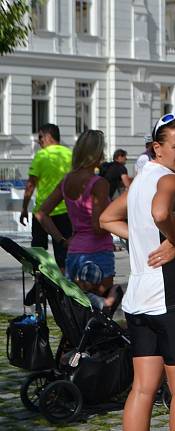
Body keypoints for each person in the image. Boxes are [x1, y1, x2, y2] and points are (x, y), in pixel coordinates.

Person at [100, 112, 175, 430]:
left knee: (143, 389)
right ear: (157, 148)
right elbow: (160, 212)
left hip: (139, 300)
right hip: (170, 297)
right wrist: (173, 241)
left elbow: (106, 218)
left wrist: (142, 239)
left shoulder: (142, 178)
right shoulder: (168, 179)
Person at [36, 129, 121, 313]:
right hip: (98, 253)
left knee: (78, 312)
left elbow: (41, 214)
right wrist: (118, 214)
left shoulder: (67, 181)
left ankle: (76, 341)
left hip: (74, 253)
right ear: (97, 153)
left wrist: (61, 240)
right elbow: (98, 227)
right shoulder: (99, 183)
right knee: (103, 307)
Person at [20, 124, 73, 270]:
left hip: (42, 214)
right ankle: (64, 288)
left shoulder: (41, 156)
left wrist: (24, 208)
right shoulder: (70, 154)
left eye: (40, 137)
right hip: (65, 213)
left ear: (48, 137)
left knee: (39, 254)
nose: (39, 141)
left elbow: (31, 185)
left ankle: (42, 287)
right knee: (63, 254)